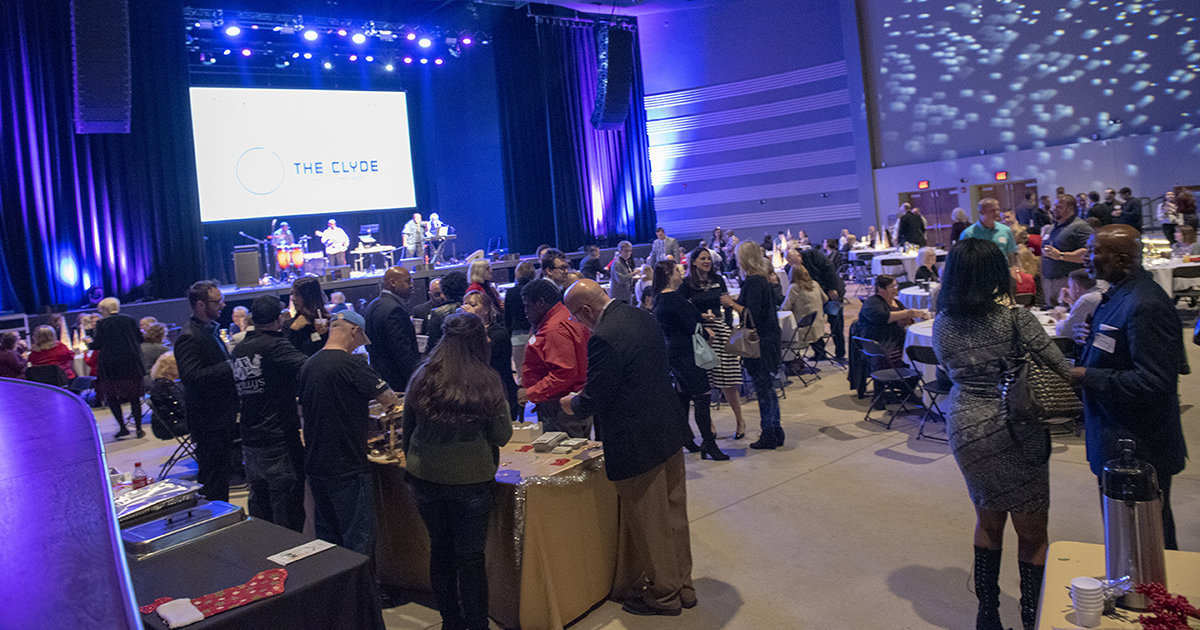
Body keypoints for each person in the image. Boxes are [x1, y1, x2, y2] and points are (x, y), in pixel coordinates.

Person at [931, 238, 1069, 630]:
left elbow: (947, 371)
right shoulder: (1015, 319)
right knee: (1033, 534)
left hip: (964, 424)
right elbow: (1058, 366)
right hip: (1014, 424)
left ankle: (987, 616)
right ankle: (1030, 617)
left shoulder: (943, 322)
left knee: (988, 521)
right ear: (996, 272)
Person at [560, 280, 695, 617]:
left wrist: (571, 404)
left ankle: (664, 595)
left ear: (587, 310)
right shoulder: (640, 315)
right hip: (668, 429)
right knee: (675, 514)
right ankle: (684, 585)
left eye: (577, 317)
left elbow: (596, 397)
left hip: (637, 441)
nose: (580, 324)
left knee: (652, 525)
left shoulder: (604, 336)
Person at [1070, 224, 1187, 551]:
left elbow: (1154, 381)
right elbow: (1116, 351)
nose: (1087, 258)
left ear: (1122, 260)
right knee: (1127, 539)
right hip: (1116, 438)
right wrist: (1088, 342)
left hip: (1139, 446)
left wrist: (1085, 376)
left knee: (1149, 542)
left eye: (1095, 251)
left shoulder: (1145, 304)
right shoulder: (1117, 295)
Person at [402, 313, 512, 630]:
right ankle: (477, 625)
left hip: (425, 479)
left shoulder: (422, 376)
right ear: (479, 342)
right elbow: (502, 435)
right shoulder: (487, 380)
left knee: (441, 550)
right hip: (471, 482)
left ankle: (450, 621)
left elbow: (407, 431)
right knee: (471, 558)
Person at [298, 310, 400, 562]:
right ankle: (363, 597)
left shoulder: (308, 365)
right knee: (359, 538)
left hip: (315, 463)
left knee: (328, 538)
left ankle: (337, 595)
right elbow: (388, 399)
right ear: (355, 331)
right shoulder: (354, 364)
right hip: (347, 463)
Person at [231, 296, 309, 533]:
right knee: (287, 511)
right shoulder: (275, 345)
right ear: (279, 319)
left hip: (250, 438)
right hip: (277, 437)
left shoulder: (239, 349)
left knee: (260, 507)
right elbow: (309, 367)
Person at [651, 260, 729, 461]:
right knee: (702, 397)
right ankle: (709, 444)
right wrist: (706, 331)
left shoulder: (658, 298)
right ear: (669, 274)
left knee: (683, 395)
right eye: (678, 270)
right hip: (688, 353)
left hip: (673, 352)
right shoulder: (675, 298)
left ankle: (685, 437)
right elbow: (691, 325)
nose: (681, 273)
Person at [175, 281, 238, 501]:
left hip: (220, 418)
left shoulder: (208, 330)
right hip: (209, 420)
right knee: (213, 481)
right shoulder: (188, 337)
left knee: (221, 476)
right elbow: (191, 377)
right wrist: (230, 366)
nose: (222, 305)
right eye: (217, 301)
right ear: (200, 305)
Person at [679, 246, 747, 439]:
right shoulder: (686, 285)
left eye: (708, 259)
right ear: (693, 262)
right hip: (701, 333)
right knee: (705, 379)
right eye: (702, 259)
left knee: (729, 378)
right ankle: (709, 425)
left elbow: (725, 304)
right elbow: (683, 311)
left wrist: (726, 326)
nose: (706, 262)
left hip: (721, 330)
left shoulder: (718, 280)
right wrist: (699, 318)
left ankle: (740, 420)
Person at [722, 241, 783, 449]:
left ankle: (769, 434)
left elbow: (751, 313)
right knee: (768, 388)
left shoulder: (754, 280)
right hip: (769, 340)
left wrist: (732, 304)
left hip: (761, 344)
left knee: (763, 389)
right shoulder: (761, 279)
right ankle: (776, 430)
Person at [521, 278, 591, 438]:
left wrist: (530, 393)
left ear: (540, 302)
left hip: (560, 407)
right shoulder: (569, 316)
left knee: (565, 459)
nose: (525, 310)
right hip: (573, 401)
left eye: (527, 305)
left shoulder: (554, 329)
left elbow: (564, 374)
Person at [461, 290, 520, 424]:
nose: (468, 308)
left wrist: (474, 321)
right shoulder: (465, 334)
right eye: (465, 305)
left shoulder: (499, 333)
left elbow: (485, 353)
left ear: (487, 310)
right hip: (476, 394)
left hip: (501, 394)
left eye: (473, 305)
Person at [90, 297, 145, 439]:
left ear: (105, 310)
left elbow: (97, 345)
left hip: (110, 366)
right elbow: (140, 339)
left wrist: (88, 342)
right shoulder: (130, 319)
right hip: (131, 363)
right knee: (134, 397)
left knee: (112, 397)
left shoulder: (101, 324)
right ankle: (139, 428)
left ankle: (122, 427)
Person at [364, 266, 419, 392]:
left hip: (380, 377)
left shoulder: (372, 306)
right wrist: (417, 380)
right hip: (399, 382)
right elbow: (402, 353)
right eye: (408, 281)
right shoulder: (395, 310)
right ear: (393, 283)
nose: (411, 286)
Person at [791, 245, 846, 361]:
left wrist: (832, 288)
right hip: (816, 296)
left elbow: (829, 268)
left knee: (836, 322)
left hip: (831, 291)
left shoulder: (814, 255)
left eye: (795, 262)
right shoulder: (792, 267)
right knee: (812, 323)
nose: (795, 265)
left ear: (799, 255)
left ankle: (840, 353)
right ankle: (820, 353)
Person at [1041, 194, 1094, 309]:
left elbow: (1087, 253)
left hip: (1068, 283)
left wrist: (1060, 255)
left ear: (1070, 208)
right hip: (1049, 282)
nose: (1054, 209)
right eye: (1054, 206)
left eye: (1059, 207)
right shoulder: (1050, 228)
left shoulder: (1080, 227)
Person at [858, 275, 926, 363]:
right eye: (892, 287)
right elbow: (882, 317)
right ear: (881, 289)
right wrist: (907, 313)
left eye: (896, 286)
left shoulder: (896, 302)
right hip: (883, 343)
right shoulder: (872, 303)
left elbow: (907, 321)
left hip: (899, 339)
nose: (896, 289)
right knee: (914, 354)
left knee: (921, 348)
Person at [781, 263, 827, 352]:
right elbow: (825, 299)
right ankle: (820, 353)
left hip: (803, 327)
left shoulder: (794, 287)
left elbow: (785, 307)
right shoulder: (815, 284)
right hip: (818, 323)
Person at [506, 261, 536, 386]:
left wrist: (508, 334)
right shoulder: (536, 290)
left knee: (520, 373)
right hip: (535, 333)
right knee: (535, 370)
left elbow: (507, 316)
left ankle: (523, 402)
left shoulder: (511, 292)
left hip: (517, 335)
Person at [959, 198, 1016, 262]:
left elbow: (1011, 256)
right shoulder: (968, 234)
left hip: (1003, 270)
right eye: (992, 210)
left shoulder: (1005, 230)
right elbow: (963, 260)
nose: (997, 213)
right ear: (982, 212)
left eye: (998, 210)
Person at [284, 276, 330, 356]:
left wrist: (322, 334)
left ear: (309, 297)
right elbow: (286, 353)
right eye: (292, 294)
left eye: (298, 294)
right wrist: (293, 330)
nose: (293, 299)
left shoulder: (328, 321)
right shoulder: (289, 324)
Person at [1050, 268, 1102, 337]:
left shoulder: (1086, 299)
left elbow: (1064, 332)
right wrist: (1072, 302)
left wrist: (1060, 319)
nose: (1068, 289)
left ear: (1077, 287)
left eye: (1069, 286)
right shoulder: (1098, 294)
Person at [426, 271, 468, 351]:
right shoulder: (473, 307)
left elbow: (433, 343)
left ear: (445, 290)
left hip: (448, 356)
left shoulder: (437, 312)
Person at [609, 241, 638, 305]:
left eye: (630, 251)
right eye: (626, 251)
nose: (628, 253)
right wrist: (633, 273)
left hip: (627, 295)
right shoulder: (617, 263)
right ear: (620, 251)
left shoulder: (625, 261)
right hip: (619, 297)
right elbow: (620, 279)